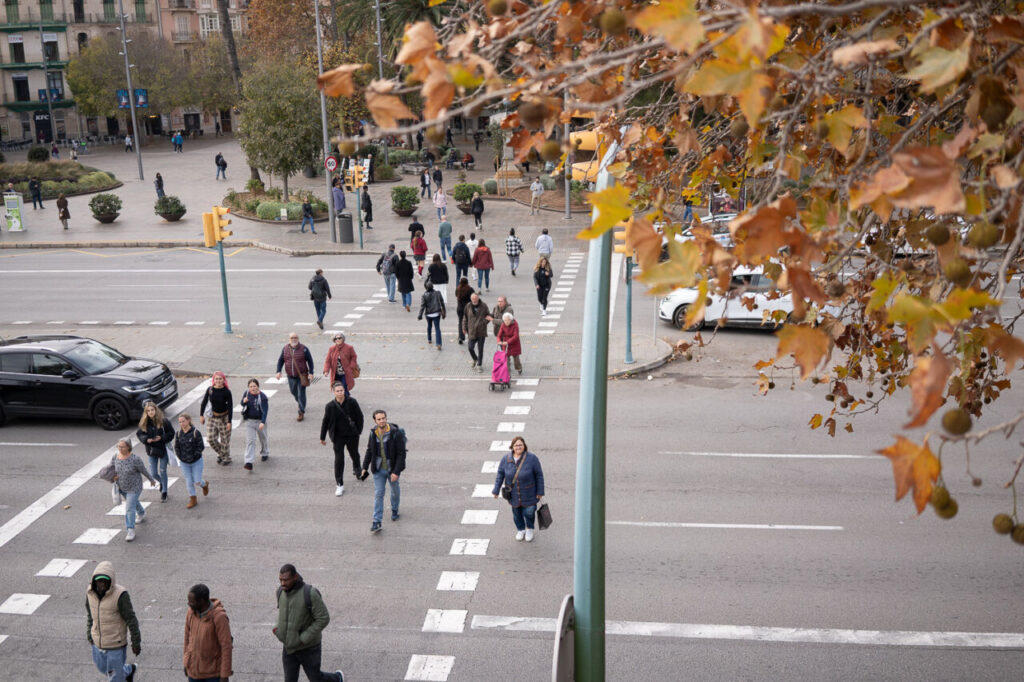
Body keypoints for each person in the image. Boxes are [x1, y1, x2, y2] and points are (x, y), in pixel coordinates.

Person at [274, 564, 345, 682]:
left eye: (286, 580)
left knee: (316, 678)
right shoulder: (280, 592)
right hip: (289, 647)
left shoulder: (310, 593)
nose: (282, 583)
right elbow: (283, 615)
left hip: (309, 647)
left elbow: (323, 618)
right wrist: (277, 629)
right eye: (280, 580)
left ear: (295, 577)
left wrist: (303, 638)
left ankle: (337, 678)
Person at [87, 561, 142, 682]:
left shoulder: (120, 595)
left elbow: (131, 619)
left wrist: (136, 642)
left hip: (116, 644)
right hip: (98, 642)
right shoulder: (90, 593)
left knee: (115, 678)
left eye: (105, 581)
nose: (102, 584)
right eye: (99, 581)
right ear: (94, 581)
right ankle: (128, 670)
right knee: (104, 669)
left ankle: (122, 675)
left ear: (110, 581)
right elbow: (90, 615)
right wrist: (89, 634)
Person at [361, 410, 407, 532]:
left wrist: (396, 472)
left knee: (394, 490)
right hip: (378, 468)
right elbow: (369, 450)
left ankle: (395, 509)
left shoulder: (395, 433)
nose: (382, 421)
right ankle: (376, 521)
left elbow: (401, 454)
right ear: (375, 421)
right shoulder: (373, 433)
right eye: (379, 419)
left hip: (392, 468)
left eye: (383, 418)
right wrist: (364, 467)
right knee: (379, 494)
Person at [492, 436, 545, 542]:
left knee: (529, 512)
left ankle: (529, 528)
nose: (518, 447)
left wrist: (540, 491)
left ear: (524, 446)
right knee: (517, 513)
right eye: (516, 445)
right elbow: (500, 475)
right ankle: (521, 529)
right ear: (512, 447)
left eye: (521, 445)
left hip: (530, 493)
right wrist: (496, 490)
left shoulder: (532, 458)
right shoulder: (506, 459)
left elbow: (539, 475)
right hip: (514, 494)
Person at [319, 381, 365, 497]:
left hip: (352, 436)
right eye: (337, 391)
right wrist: (322, 437)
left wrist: (359, 431)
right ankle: (339, 484)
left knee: (354, 454)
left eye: (342, 390)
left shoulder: (352, 402)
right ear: (333, 392)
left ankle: (358, 469)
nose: (340, 393)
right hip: (338, 437)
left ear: (344, 391)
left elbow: (360, 417)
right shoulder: (330, 406)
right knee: (339, 460)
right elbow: (326, 421)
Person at [183, 583, 233, 682]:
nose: (189, 604)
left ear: (201, 601)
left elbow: (226, 646)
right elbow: (187, 638)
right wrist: (186, 662)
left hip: (212, 675)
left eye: (191, 602)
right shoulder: (190, 613)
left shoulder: (219, 617)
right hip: (193, 673)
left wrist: (224, 675)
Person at [111, 438, 157, 543]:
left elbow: (143, 470)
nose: (120, 449)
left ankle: (130, 530)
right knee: (133, 503)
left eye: (122, 446)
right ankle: (141, 513)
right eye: (119, 446)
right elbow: (111, 468)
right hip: (121, 487)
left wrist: (151, 480)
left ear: (128, 447)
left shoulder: (135, 459)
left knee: (129, 508)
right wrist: (113, 476)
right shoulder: (115, 457)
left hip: (134, 487)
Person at [136, 401, 174, 502]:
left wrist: (161, 438)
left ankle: (164, 492)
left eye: (152, 410)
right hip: (151, 450)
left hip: (162, 450)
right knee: (153, 473)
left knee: (162, 470)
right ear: (146, 412)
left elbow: (171, 433)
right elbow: (139, 434)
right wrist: (146, 439)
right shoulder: (144, 422)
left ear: (155, 410)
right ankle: (162, 482)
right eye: (148, 411)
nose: (151, 412)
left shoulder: (163, 421)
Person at [277, 333, 315, 420]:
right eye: (292, 338)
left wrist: (311, 372)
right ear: (289, 339)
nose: (294, 339)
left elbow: (310, 361)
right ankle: (301, 402)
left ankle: (301, 411)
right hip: (290, 375)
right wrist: (278, 371)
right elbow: (280, 360)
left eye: (295, 337)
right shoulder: (285, 348)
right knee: (293, 391)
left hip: (302, 375)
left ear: (298, 339)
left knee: (301, 393)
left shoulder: (304, 349)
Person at [175, 414, 209, 510]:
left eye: (183, 421)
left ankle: (204, 484)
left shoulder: (195, 432)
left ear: (188, 420)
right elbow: (176, 447)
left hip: (196, 462)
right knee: (189, 481)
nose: (182, 423)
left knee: (197, 481)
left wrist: (194, 456)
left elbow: (201, 446)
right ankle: (193, 499)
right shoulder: (178, 433)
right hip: (184, 463)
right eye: (180, 422)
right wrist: (181, 457)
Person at [200, 372, 233, 466]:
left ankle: (226, 458)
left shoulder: (227, 391)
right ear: (214, 380)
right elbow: (204, 402)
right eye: (216, 379)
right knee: (210, 439)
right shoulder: (210, 390)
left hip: (224, 418)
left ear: (224, 380)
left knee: (225, 440)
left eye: (220, 379)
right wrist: (201, 415)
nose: (218, 381)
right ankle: (222, 454)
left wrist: (229, 422)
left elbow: (230, 407)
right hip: (212, 418)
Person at [240, 378, 270, 472]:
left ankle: (265, 452)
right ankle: (249, 462)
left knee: (263, 438)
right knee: (250, 441)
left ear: (258, 386)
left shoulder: (263, 397)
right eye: (250, 386)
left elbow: (265, 411)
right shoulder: (246, 393)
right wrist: (243, 401)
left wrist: (263, 422)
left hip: (260, 421)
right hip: (249, 421)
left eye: (254, 386)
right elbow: (242, 403)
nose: (252, 388)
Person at [322, 332, 359, 397]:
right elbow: (328, 360)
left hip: (345, 373)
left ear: (343, 339)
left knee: (343, 387)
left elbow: (354, 357)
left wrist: (351, 367)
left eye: (339, 338)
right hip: (335, 374)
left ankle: (346, 400)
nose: (337, 340)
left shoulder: (349, 348)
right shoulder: (332, 349)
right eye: (336, 338)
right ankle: (344, 399)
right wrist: (326, 371)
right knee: (338, 388)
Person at [462, 292, 492, 372]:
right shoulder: (468, 306)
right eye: (472, 299)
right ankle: (475, 359)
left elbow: (489, 316)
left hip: (481, 331)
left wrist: (483, 323)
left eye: (475, 299)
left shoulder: (484, 305)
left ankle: (479, 364)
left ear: (478, 298)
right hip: (471, 331)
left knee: (480, 349)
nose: (474, 300)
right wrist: (464, 328)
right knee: (470, 347)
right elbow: (465, 318)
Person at [418, 280, 447, 350]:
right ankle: (438, 343)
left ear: (426, 288)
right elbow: (442, 302)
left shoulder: (424, 295)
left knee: (429, 326)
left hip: (428, 314)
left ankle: (429, 339)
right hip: (436, 313)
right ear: (433, 286)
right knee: (437, 328)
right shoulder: (438, 293)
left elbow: (422, 306)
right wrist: (444, 311)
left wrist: (420, 315)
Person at [455, 277, 473, 345]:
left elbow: (456, 295)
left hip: (460, 308)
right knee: (469, 322)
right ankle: (470, 336)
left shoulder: (458, 289)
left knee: (460, 322)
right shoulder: (470, 289)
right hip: (468, 308)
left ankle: (461, 337)